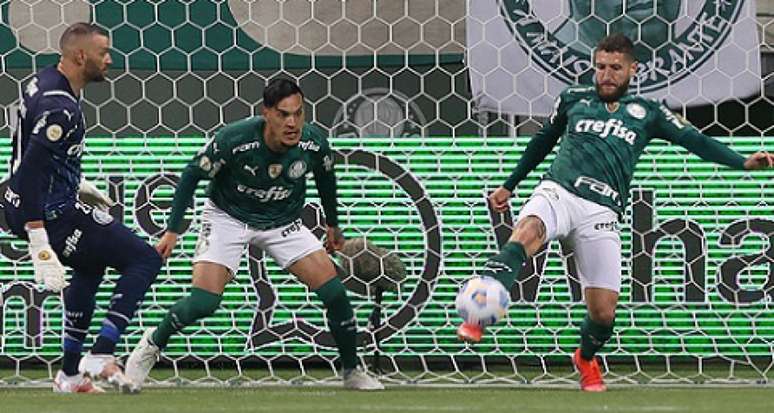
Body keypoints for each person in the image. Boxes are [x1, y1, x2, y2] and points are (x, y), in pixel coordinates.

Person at [456, 33, 774, 392]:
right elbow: (542, 141)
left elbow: (696, 141)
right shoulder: (573, 100)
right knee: (528, 231)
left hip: (602, 212)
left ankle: (586, 358)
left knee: (604, 314)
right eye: (601, 67)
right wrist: (509, 184)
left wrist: (742, 162)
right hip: (559, 190)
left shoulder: (648, 113)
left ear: (632, 70)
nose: (606, 75)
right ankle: (479, 314)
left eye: (615, 68)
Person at [125, 78, 384, 391]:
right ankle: (151, 344)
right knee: (204, 302)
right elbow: (192, 175)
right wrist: (173, 230)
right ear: (267, 114)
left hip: (282, 221)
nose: (292, 123)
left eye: (298, 114)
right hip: (227, 217)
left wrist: (333, 224)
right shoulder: (234, 140)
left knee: (335, 294)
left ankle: (352, 370)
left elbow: (326, 179)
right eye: (283, 115)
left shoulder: (313, 143)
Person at [3, 22, 162, 393]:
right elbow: (29, 172)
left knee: (90, 266)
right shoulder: (61, 109)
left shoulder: (43, 80)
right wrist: (38, 240)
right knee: (144, 259)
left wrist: (75, 183)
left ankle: (70, 376)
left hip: (34, 201)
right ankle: (100, 354)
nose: (109, 59)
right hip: (49, 214)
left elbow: (27, 153)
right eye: (103, 52)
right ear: (80, 56)